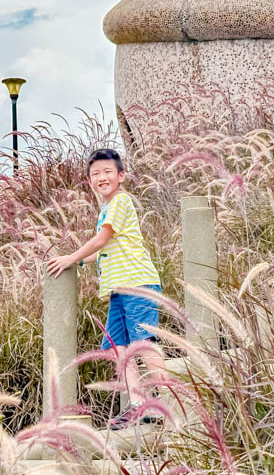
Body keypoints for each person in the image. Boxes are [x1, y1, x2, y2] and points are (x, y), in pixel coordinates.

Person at [47, 148, 167, 429]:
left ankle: (173, 401)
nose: (101, 178)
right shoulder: (106, 210)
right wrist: (73, 264)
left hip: (137, 283)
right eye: (95, 174)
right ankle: (139, 404)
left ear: (121, 176)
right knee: (118, 347)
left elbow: (102, 240)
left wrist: (71, 257)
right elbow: (101, 250)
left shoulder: (120, 202)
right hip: (117, 291)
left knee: (142, 345)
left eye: (107, 172)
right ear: (89, 181)